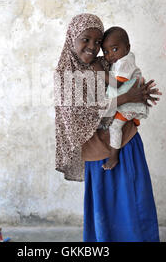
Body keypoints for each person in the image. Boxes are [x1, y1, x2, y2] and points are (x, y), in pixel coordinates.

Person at [54, 13, 160, 242]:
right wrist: (126, 97)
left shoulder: (104, 64)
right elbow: (80, 114)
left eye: (97, 41)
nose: (92, 47)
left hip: (126, 144)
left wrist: (140, 93)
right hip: (96, 155)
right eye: (86, 39)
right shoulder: (66, 76)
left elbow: (129, 80)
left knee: (136, 205)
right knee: (106, 214)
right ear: (72, 38)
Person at [96, 26, 150, 170]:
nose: (110, 55)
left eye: (114, 49)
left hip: (130, 103)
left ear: (127, 47)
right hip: (127, 102)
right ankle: (133, 119)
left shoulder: (125, 61)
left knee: (114, 126)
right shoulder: (119, 61)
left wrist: (99, 72)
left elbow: (116, 83)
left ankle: (113, 158)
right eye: (106, 52)